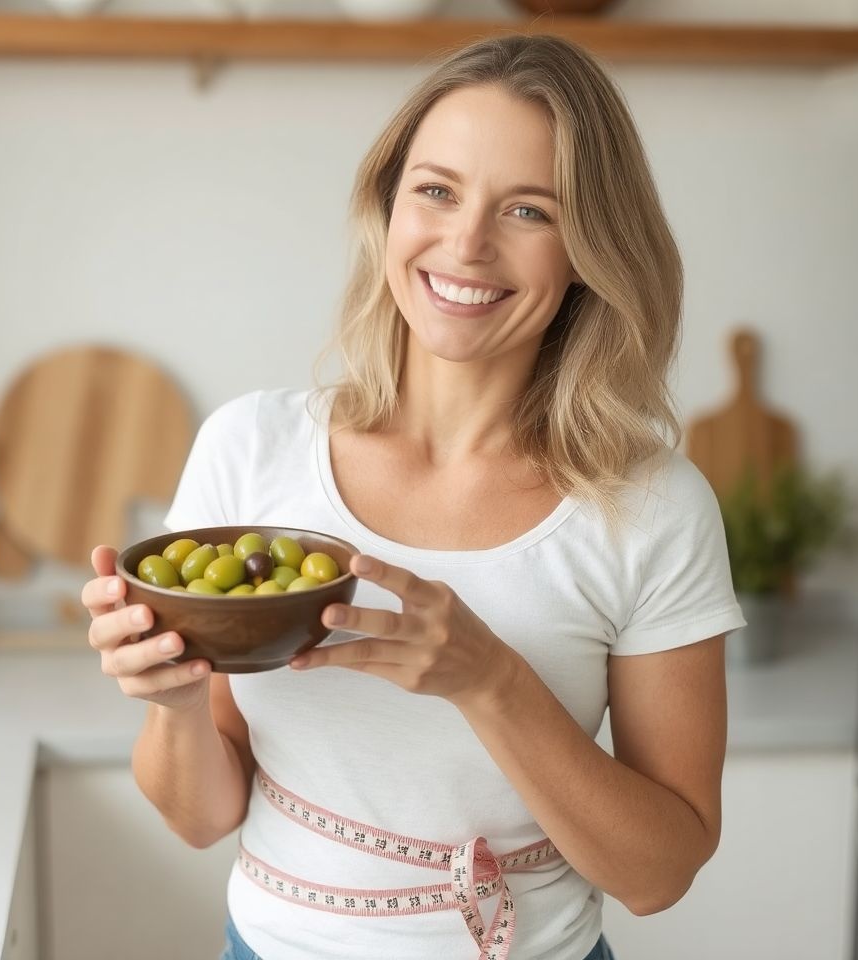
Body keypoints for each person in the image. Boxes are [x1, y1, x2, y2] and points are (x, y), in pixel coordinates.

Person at [81, 32, 743, 960]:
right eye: (436, 190)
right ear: (386, 208)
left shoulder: (652, 506)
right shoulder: (251, 448)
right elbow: (201, 819)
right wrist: (178, 698)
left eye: (528, 209)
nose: (466, 245)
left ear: (591, 249)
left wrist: (490, 681)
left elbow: (659, 875)